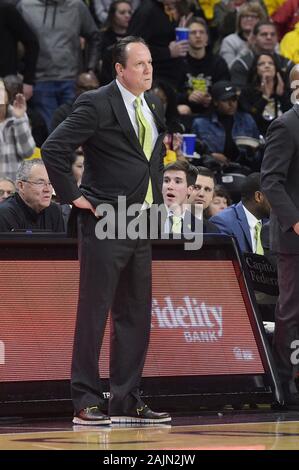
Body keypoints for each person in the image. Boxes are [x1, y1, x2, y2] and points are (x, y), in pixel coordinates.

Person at [41, 36, 171, 425]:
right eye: (140, 64)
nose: (148, 70)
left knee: (135, 315)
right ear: (119, 69)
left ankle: (126, 399)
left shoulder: (154, 104)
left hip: (142, 220)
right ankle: (85, 399)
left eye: (150, 63)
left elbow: (151, 162)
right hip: (105, 220)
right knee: (94, 313)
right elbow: (54, 148)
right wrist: (74, 196)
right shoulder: (97, 102)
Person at [261, 64, 299, 407]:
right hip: (293, 238)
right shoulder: (286, 125)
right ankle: (284, 386)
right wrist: (296, 221)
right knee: (291, 310)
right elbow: (270, 180)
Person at [210, 173, 270, 253]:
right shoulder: (223, 222)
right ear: (258, 197)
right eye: (274, 195)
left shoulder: (272, 224)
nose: (280, 202)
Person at [0, 160, 65, 232]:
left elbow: (59, 243)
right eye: (40, 183)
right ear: (21, 186)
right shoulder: (4, 214)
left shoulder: (54, 211)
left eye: (50, 183)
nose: (48, 190)